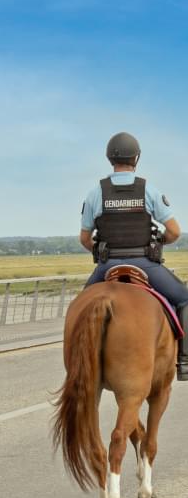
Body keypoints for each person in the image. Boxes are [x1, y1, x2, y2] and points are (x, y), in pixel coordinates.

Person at [80, 132, 188, 380]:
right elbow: (174, 231)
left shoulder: (95, 192)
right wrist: (157, 242)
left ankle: (77, 364)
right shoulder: (148, 190)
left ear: (109, 158)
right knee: (184, 299)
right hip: (145, 264)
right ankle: (184, 361)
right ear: (136, 158)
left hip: (106, 266)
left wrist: (99, 251)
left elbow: (85, 239)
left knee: (80, 308)